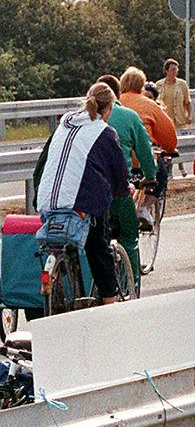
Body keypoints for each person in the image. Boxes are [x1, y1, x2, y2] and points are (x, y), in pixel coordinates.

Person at [32, 83, 132, 305]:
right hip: (80, 204)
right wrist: (124, 190)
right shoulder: (104, 132)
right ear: (109, 109)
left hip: (47, 201)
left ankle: (58, 281)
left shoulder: (64, 124)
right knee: (99, 249)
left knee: (61, 240)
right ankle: (110, 304)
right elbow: (118, 171)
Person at [93, 74, 156, 289]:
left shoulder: (79, 119)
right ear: (116, 95)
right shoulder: (128, 116)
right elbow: (145, 151)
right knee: (129, 235)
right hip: (117, 188)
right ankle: (132, 286)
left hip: (87, 190)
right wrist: (150, 175)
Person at [118, 67, 179, 227]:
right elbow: (168, 136)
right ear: (142, 85)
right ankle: (144, 208)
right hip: (140, 161)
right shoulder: (150, 106)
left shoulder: (114, 103)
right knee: (161, 175)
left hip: (115, 161)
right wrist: (170, 149)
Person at [156, 59, 192, 131]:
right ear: (166, 71)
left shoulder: (182, 84)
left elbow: (188, 102)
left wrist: (189, 116)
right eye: (173, 69)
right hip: (165, 121)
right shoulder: (158, 85)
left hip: (180, 122)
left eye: (176, 69)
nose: (175, 71)